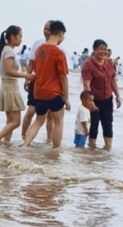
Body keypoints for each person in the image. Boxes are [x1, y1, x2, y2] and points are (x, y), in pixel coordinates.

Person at [22, 20, 70, 148]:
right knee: (58, 122)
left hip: (39, 92)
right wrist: (66, 98)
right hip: (53, 93)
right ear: (60, 34)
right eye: (63, 36)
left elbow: (34, 66)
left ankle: (26, 144)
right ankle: (56, 150)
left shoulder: (39, 50)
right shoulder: (59, 52)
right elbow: (63, 77)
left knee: (39, 120)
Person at [80, 39, 121, 149]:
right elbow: (86, 85)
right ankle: (92, 148)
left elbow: (113, 80)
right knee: (94, 125)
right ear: (94, 50)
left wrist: (118, 96)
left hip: (107, 99)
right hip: (94, 100)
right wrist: (90, 102)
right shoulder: (89, 64)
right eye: (100, 49)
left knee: (108, 124)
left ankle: (108, 149)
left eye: (105, 49)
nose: (103, 52)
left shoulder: (108, 62)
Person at [0, 26, 26, 143]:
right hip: (10, 88)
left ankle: (6, 144)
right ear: (12, 37)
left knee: (10, 121)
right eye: (19, 37)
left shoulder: (5, 49)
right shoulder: (9, 51)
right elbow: (9, 70)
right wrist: (26, 75)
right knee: (16, 122)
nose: (21, 40)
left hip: (7, 86)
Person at [20, 21, 51, 140]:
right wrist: (26, 78)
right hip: (36, 80)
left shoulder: (57, 46)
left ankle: (49, 140)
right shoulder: (38, 43)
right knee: (31, 110)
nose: (46, 31)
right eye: (44, 28)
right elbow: (31, 62)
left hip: (50, 83)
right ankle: (23, 135)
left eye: (48, 29)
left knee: (50, 115)